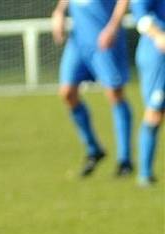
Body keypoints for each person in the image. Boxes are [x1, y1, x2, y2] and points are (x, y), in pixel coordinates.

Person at [52, 0, 134, 177]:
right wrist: (59, 12)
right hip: (79, 40)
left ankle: (125, 160)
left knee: (114, 94)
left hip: (104, 36)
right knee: (67, 93)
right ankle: (94, 149)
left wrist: (113, 26)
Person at [131, 0, 165, 185]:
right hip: (157, 57)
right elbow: (141, 17)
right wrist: (159, 35)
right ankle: (144, 174)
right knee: (155, 113)